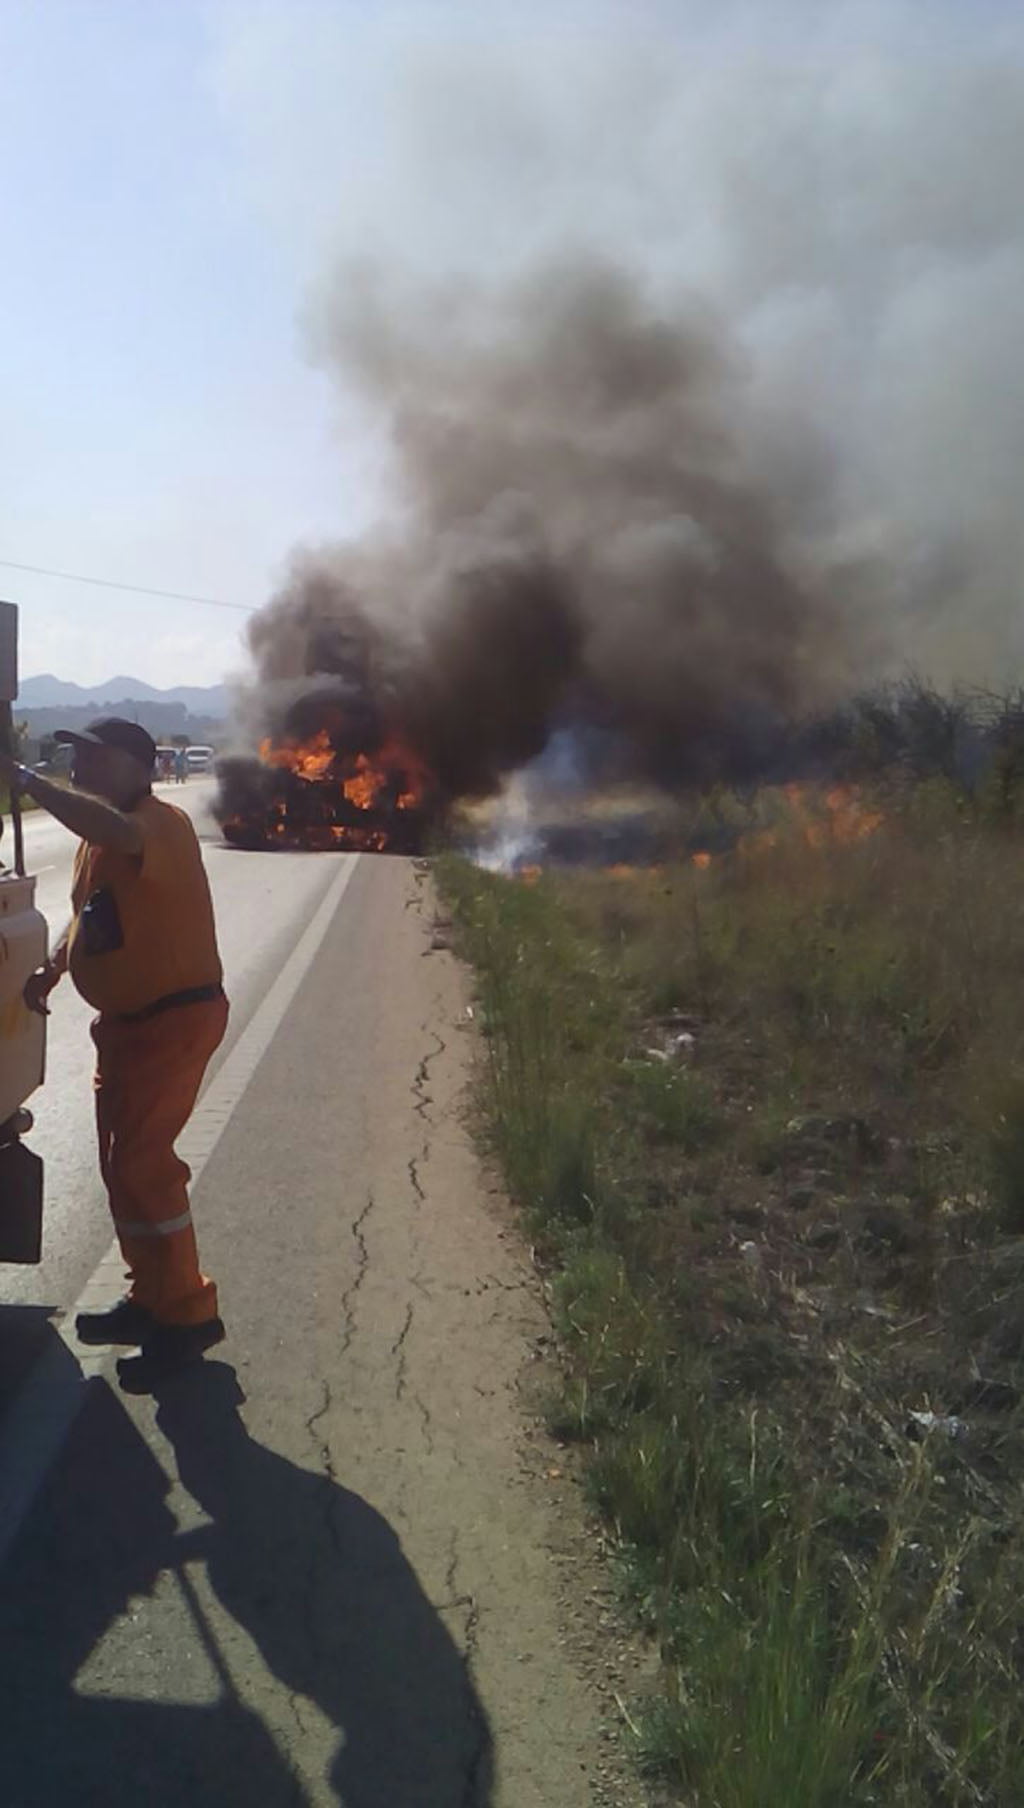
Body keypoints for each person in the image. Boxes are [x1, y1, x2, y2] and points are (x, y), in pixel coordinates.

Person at [0, 718, 228, 1390]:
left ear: (136, 764)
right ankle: (148, 1298)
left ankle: (187, 1314)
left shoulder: (159, 823)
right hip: (127, 1028)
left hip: (172, 1022)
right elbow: (92, 914)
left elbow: (118, 837)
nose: (79, 761)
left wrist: (25, 781)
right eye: (74, 751)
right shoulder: (101, 840)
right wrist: (51, 968)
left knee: (144, 1167)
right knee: (119, 1169)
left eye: (93, 753)